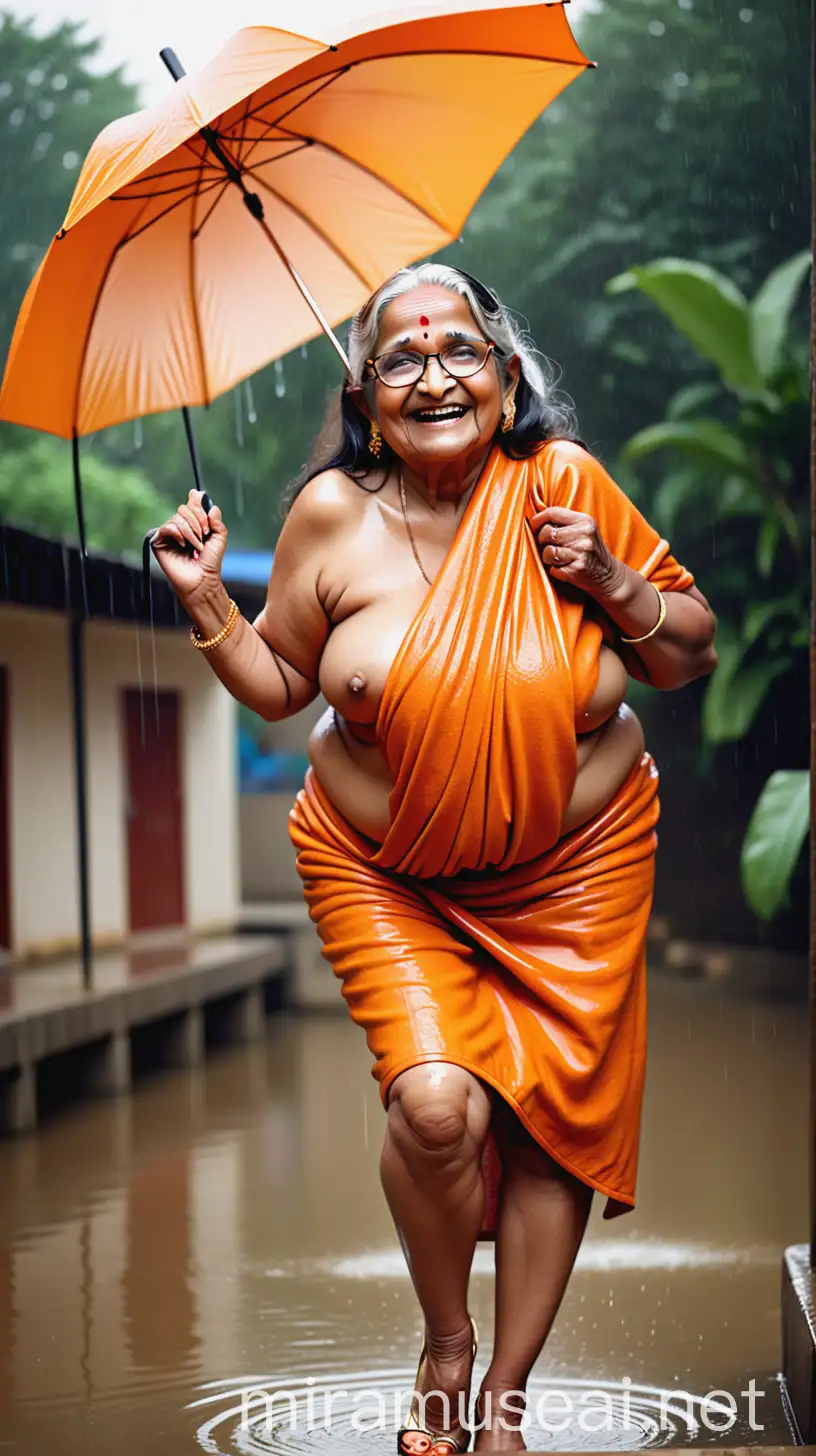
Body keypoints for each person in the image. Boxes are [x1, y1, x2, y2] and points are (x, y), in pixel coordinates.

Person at [151, 263, 717, 1452]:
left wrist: (608, 578)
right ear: (366, 397)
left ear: (506, 381)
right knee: (436, 1108)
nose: (433, 374)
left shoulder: (562, 488)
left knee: (552, 1115)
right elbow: (279, 687)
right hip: (387, 873)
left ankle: (504, 1397)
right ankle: (445, 1340)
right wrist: (209, 603)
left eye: (458, 351)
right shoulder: (327, 518)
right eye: (401, 360)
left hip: (578, 872)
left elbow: (690, 652)